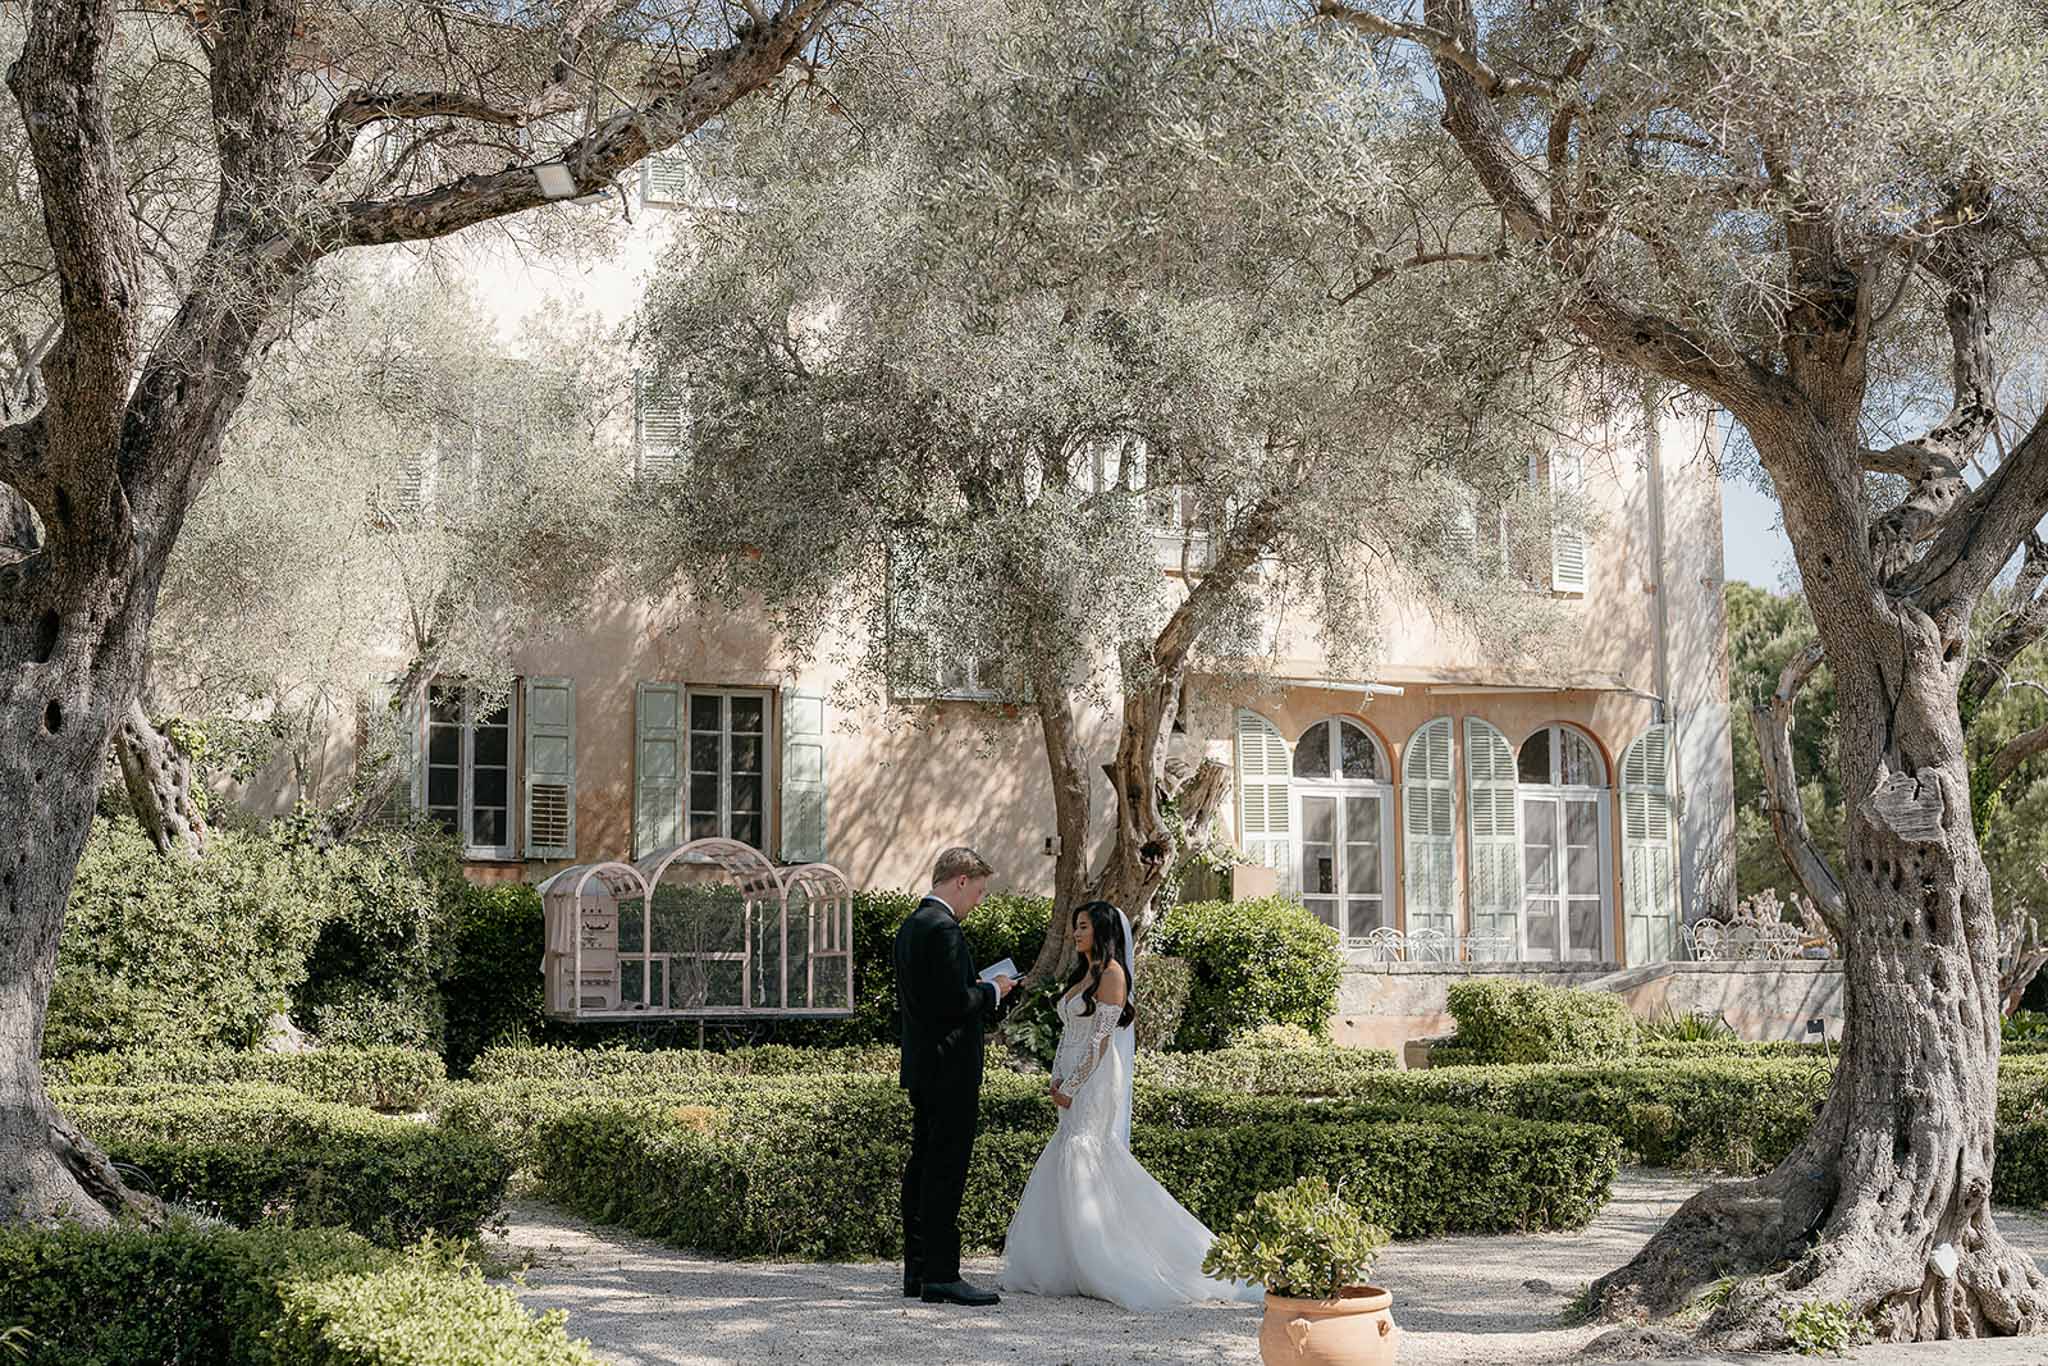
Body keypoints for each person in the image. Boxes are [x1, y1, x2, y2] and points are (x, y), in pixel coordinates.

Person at [999, 901, 1262, 1312]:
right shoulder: (1083, 973)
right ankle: (1072, 1260)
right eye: (1075, 927)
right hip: (1070, 1075)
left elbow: (1101, 1039)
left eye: (1083, 926)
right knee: (1069, 1153)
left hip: (1097, 1077)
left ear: (1102, 931)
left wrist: (1074, 1083)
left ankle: (1108, 1258)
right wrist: (1056, 1075)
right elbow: (1070, 1034)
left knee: (1087, 1152)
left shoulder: (1112, 974)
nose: (1076, 933)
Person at [895, 846, 1016, 1306]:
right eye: (980, 891)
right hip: (950, 1069)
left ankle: (919, 1271)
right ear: (961, 880)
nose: (978, 902)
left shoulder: (911, 926)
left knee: (922, 1167)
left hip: (923, 1066)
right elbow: (951, 1005)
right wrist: (992, 990)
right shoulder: (943, 929)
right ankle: (942, 1274)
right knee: (945, 1171)